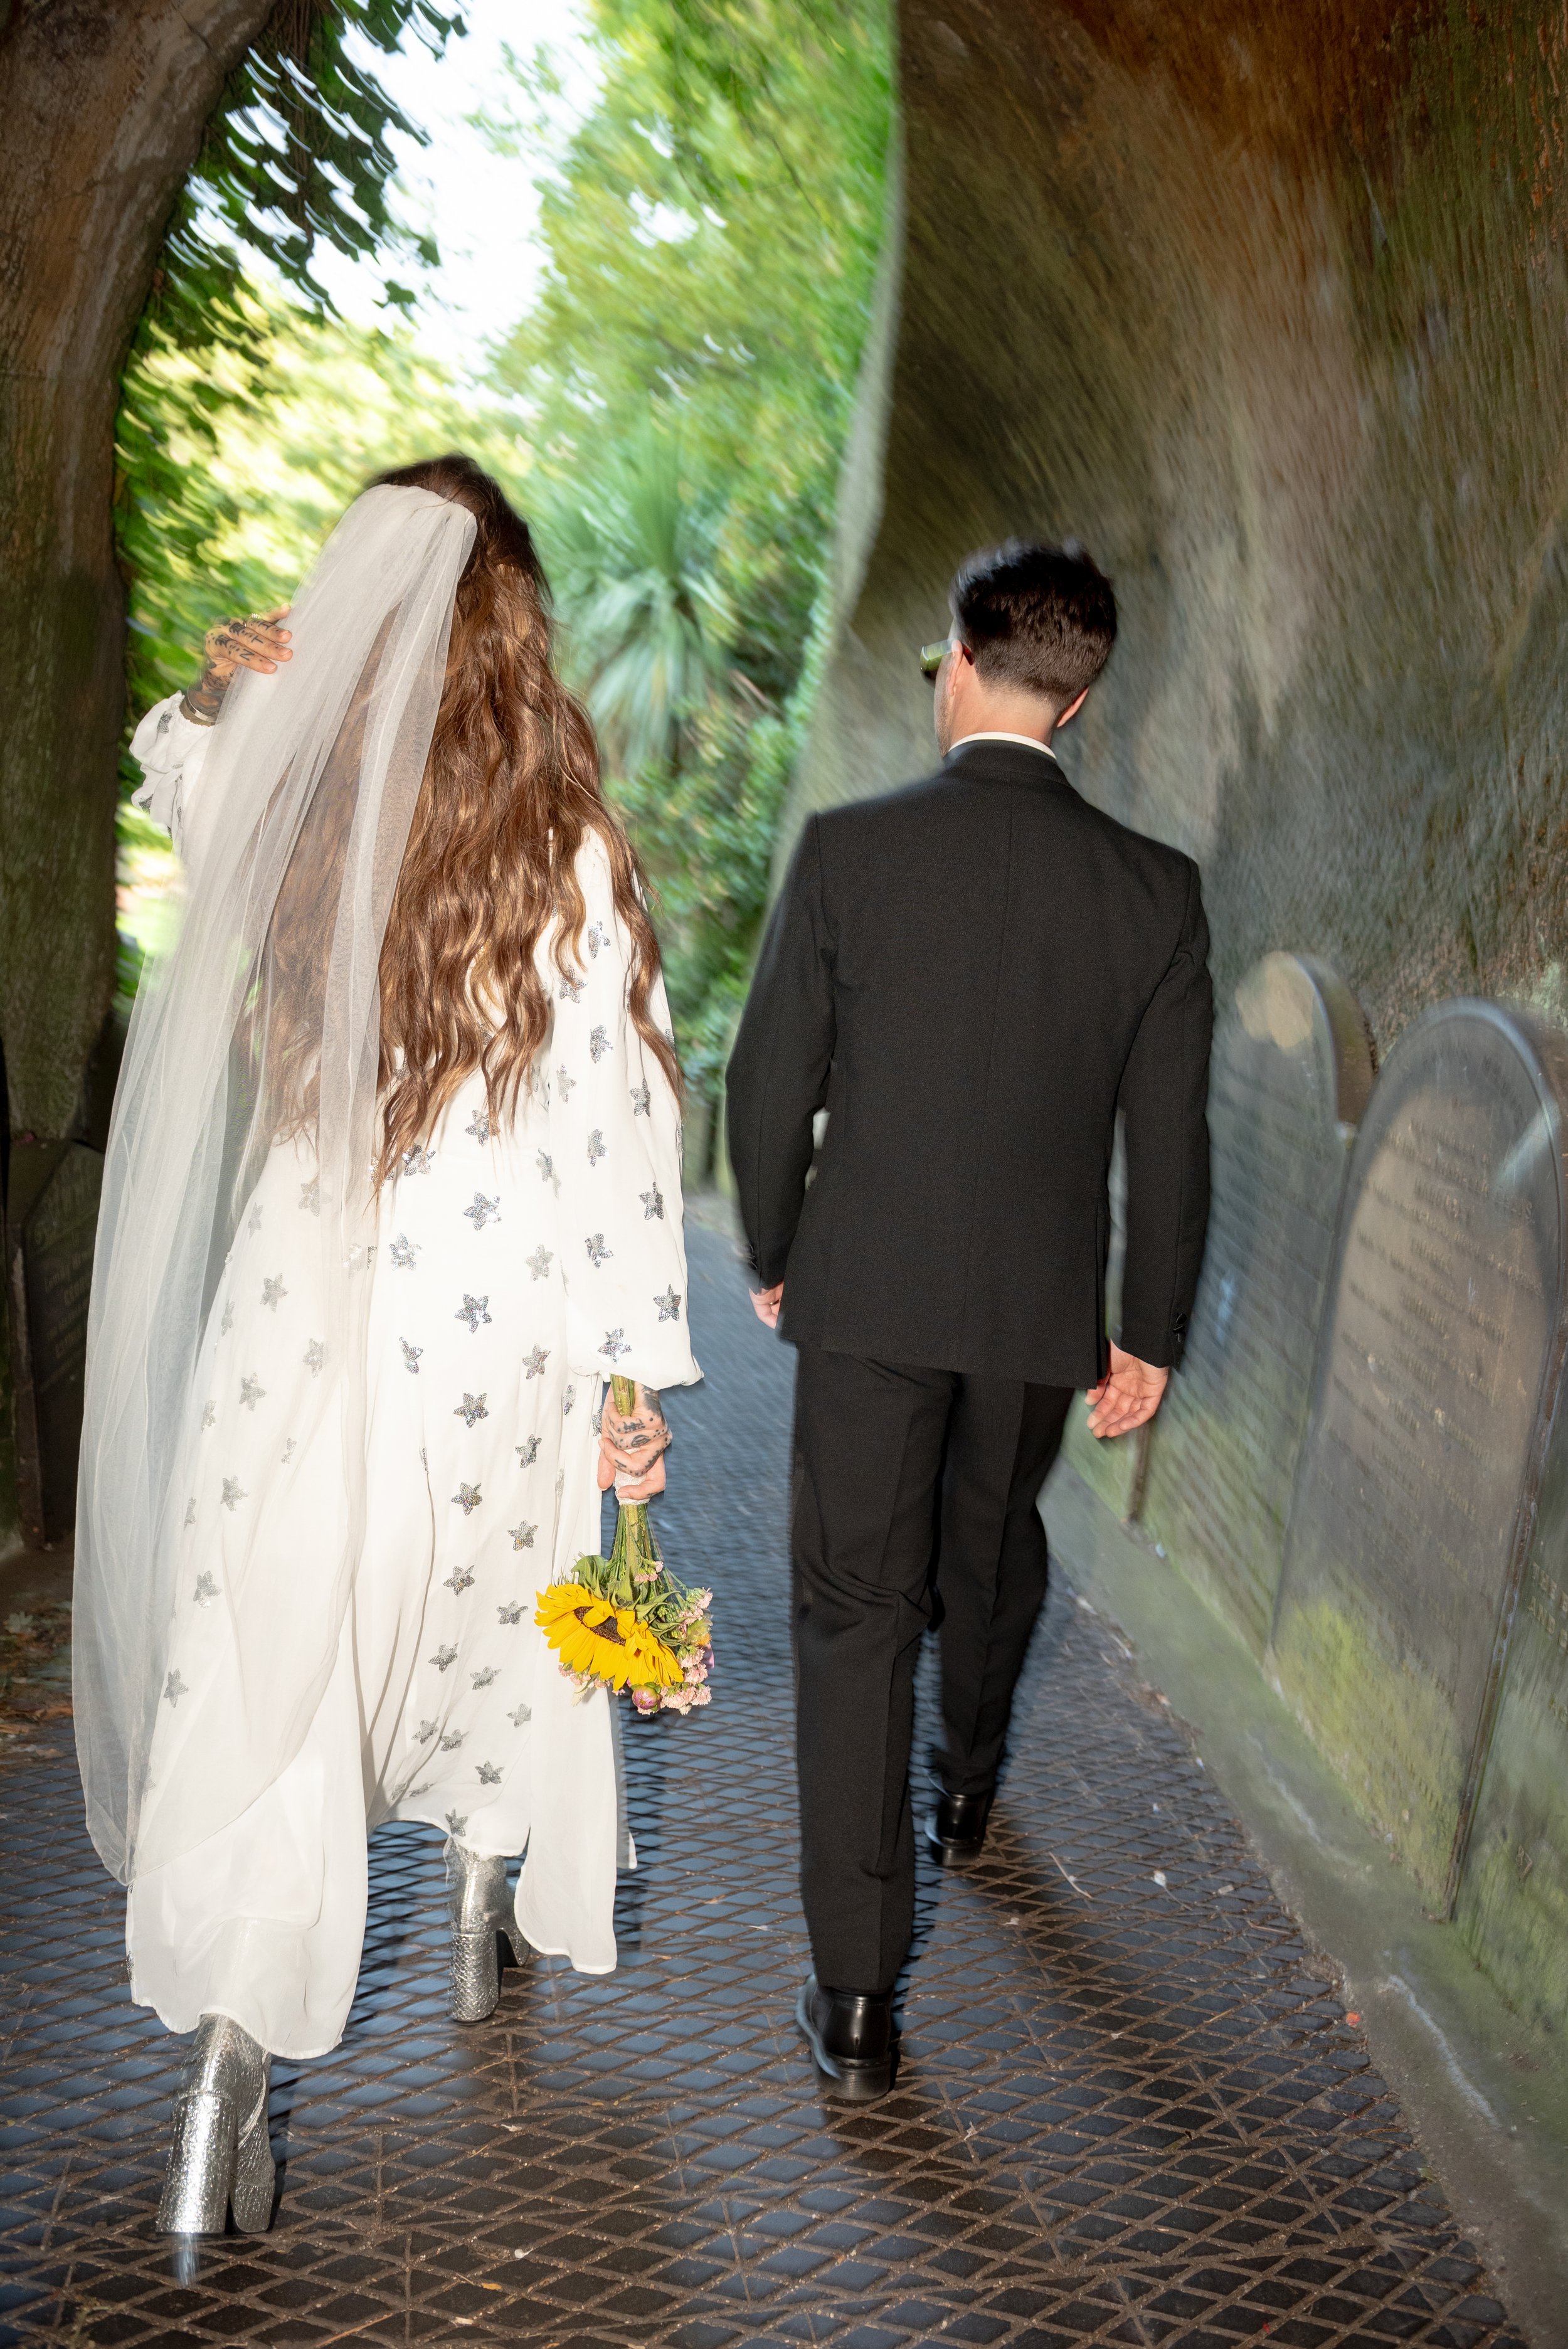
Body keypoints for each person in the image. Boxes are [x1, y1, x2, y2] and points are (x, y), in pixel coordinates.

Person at [75, 457, 698, 2234]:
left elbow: (184, 772)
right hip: (487, 1332)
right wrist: (630, 1373)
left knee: (282, 1647)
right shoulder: (563, 845)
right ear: (512, 626)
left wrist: (224, 690)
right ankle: (484, 1904)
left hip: (292, 1301)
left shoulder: (293, 800)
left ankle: (223, 2091)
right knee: (485, 1622)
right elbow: (615, 1131)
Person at [726, 539, 1212, 2101]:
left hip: (864, 1295)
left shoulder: (849, 850)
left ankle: (857, 1995)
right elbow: (1170, 1136)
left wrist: (777, 1244)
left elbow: (764, 1078)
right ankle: (970, 1777)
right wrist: (1145, 1333)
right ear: (1083, 699)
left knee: (854, 1609)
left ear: (958, 659)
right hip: (1031, 1311)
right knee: (989, 1547)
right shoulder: (1154, 892)